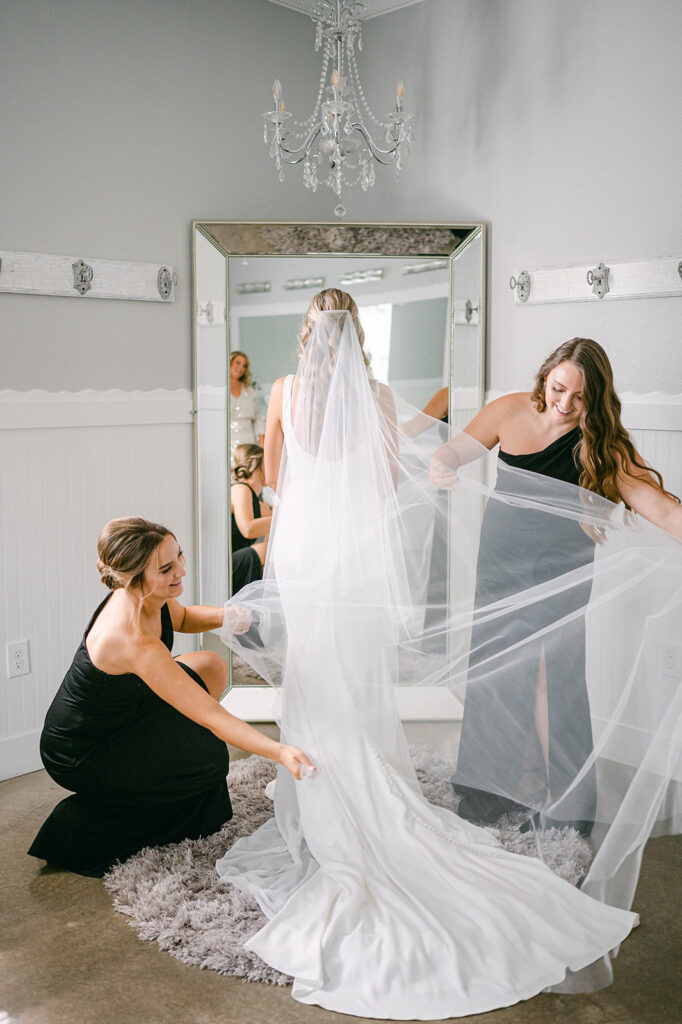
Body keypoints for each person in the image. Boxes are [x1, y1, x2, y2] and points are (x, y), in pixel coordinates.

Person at [214, 293, 645, 1020]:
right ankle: (360, 780)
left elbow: (278, 484)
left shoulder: (283, 392)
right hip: (350, 554)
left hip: (304, 547)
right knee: (353, 678)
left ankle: (313, 787)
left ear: (305, 337)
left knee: (311, 679)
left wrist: (279, 542)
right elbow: (386, 480)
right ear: (357, 341)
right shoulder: (377, 395)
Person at [430, 339, 681, 833]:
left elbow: (664, 509)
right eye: (559, 388)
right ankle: (490, 787)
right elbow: (454, 450)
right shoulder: (507, 411)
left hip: (562, 569)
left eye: (580, 398)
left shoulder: (602, 444)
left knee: (554, 678)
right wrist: (441, 465)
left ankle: (563, 798)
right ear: (545, 376)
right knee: (496, 668)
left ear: (596, 400)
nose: (566, 404)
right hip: (499, 563)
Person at [28, 516, 312, 878]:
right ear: (134, 577)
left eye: (179, 556)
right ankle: (81, 824)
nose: (181, 570)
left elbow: (184, 618)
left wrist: (226, 616)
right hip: (83, 750)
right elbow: (213, 717)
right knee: (209, 758)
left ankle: (157, 775)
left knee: (210, 665)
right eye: (167, 568)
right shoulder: (133, 639)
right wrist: (280, 751)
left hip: (123, 713)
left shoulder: (150, 594)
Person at [231, 443, 271, 593]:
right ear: (258, 466)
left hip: (242, 561)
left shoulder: (263, 508)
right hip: (225, 565)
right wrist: (283, 518)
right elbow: (248, 529)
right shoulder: (240, 489)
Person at [230, 351, 265, 451]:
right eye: (238, 363)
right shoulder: (221, 390)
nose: (241, 368)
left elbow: (258, 418)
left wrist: (262, 443)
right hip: (228, 439)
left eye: (244, 366)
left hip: (248, 439)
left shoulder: (249, 390)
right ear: (230, 362)